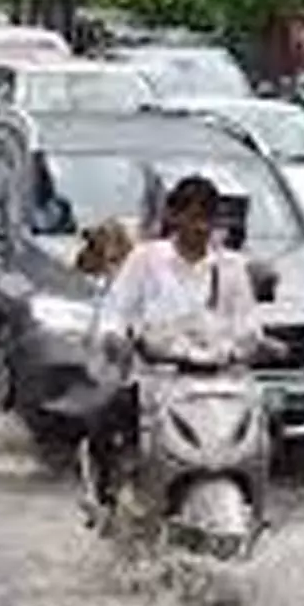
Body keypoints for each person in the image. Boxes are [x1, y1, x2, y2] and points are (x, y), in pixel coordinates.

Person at [81, 175, 268, 509]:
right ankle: (107, 499)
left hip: (221, 380)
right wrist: (115, 338)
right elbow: (116, 310)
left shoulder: (231, 268)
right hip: (158, 376)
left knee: (271, 421)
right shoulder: (145, 260)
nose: (200, 227)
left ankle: (259, 506)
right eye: (193, 216)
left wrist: (255, 344)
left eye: (207, 218)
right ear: (174, 217)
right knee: (104, 416)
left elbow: (248, 323)